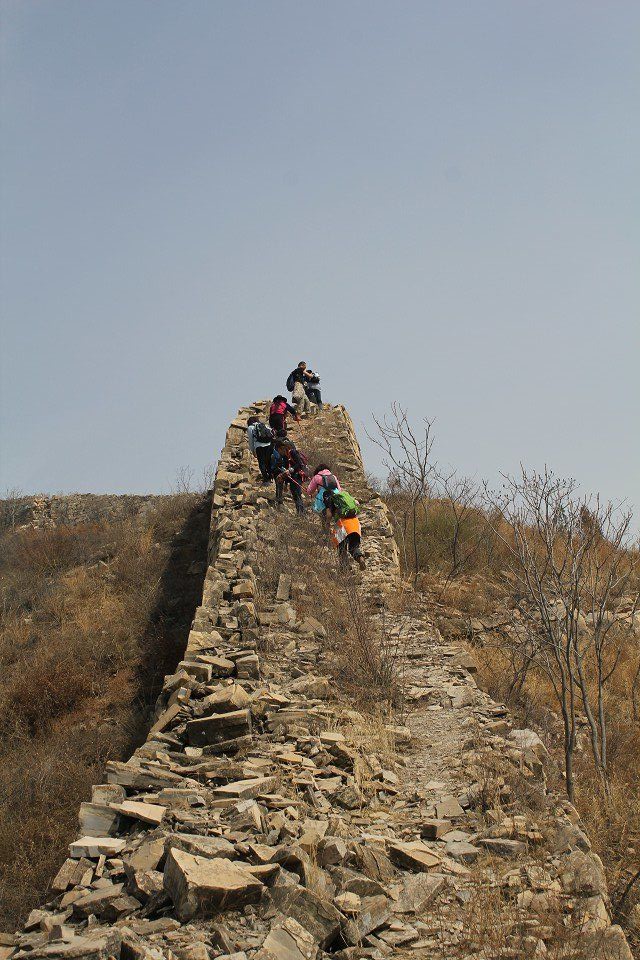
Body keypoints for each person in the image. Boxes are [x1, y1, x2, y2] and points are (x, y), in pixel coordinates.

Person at [271, 439, 308, 514]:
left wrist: (290, 470)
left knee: (297, 494)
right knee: (295, 494)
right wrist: (285, 481)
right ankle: (300, 512)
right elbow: (286, 468)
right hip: (293, 477)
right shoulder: (285, 456)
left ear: (281, 448)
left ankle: (301, 513)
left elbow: (299, 464)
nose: (278, 453)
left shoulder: (293, 452)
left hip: (298, 475)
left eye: (278, 450)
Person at [328, 502, 366, 570]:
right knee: (353, 547)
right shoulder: (349, 503)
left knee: (342, 548)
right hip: (355, 524)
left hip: (343, 526)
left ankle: (345, 566)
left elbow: (329, 515)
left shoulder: (333, 501)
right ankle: (360, 558)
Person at [247, 416, 274, 482]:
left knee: (262, 462)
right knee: (268, 461)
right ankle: (271, 476)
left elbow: (251, 441)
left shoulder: (250, 427)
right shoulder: (264, 425)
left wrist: (253, 450)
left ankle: (265, 478)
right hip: (268, 445)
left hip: (259, 447)